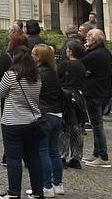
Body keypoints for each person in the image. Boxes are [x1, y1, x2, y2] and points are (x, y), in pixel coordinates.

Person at [0, 47, 44, 199]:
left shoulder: (10, 76)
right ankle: (37, 191)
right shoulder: (36, 76)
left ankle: (13, 192)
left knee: (14, 158)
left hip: (13, 121)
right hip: (33, 121)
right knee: (34, 158)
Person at [33, 44, 65, 196]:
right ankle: (57, 184)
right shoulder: (53, 72)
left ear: (39, 57)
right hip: (57, 113)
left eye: (33, 54)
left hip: (45, 114)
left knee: (43, 151)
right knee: (54, 151)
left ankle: (46, 186)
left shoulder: (39, 73)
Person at [81, 29, 112, 168]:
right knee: (96, 124)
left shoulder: (94, 55)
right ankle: (96, 153)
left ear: (94, 41)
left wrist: (85, 51)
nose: (86, 39)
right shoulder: (105, 53)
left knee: (97, 125)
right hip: (103, 92)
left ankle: (103, 155)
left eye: (89, 37)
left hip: (94, 92)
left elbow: (81, 66)